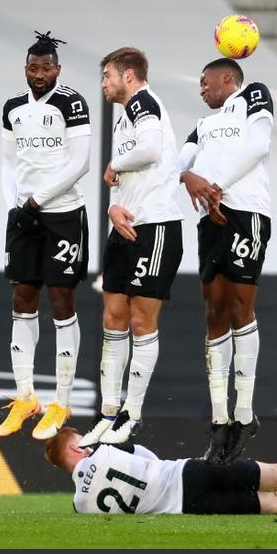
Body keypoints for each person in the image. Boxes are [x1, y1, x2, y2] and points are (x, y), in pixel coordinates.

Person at [81, 47, 183, 446]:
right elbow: (127, 179)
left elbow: (151, 151)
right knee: (112, 317)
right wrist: (113, 208)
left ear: (128, 75)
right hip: (126, 226)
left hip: (155, 227)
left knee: (142, 321)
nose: (103, 83)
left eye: (107, 75)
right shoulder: (126, 116)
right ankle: (108, 413)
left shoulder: (144, 102)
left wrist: (115, 164)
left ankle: (132, 413)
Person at [177, 57, 274, 464]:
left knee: (240, 307)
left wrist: (218, 186)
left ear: (227, 78)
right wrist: (189, 178)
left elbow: (260, 146)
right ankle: (220, 420)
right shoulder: (203, 124)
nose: (201, 89)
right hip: (209, 217)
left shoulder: (254, 96)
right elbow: (177, 161)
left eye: (205, 81)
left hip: (245, 211)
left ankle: (245, 413)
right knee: (214, 311)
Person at [0, 31, 92, 441]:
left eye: (46, 68)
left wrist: (36, 201)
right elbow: (7, 163)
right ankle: (25, 397)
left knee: (61, 299)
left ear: (58, 69)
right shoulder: (13, 108)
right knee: (22, 298)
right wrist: (14, 207)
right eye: (33, 68)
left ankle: (62, 400)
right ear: (25, 69)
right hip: (24, 216)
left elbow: (81, 162)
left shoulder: (70, 102)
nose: (39, 75)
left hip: (62, 215)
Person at [45, 427, 277, 515]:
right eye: (81, 439)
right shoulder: (107, 447)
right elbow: (148, 456)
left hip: (187, 507)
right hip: (187, 474)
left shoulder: (80, 504)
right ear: (76, 448)